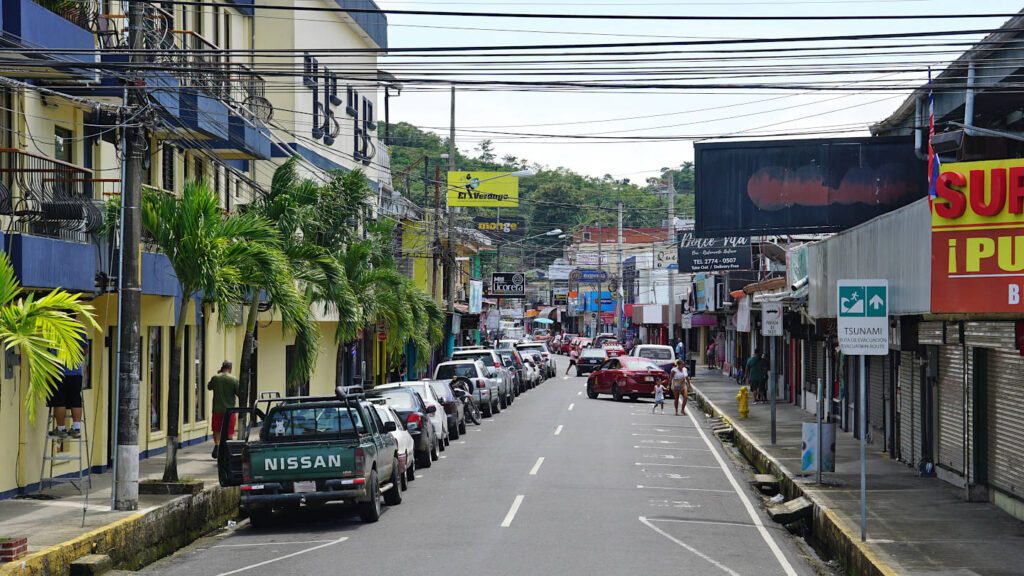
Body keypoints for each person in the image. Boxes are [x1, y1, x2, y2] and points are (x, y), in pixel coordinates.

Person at [48, 336, 89, 439]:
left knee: (59, 400)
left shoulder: (56, 330)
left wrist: (49, 374)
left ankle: (61, 429)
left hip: (59, 371)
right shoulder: (80, 330)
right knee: (75, 398)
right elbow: (84, 350)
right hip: (76, 371)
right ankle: (76, 428)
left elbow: (53, 355)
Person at [208, 361, 240, 459]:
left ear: (222, 368)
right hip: (230, 411)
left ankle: (217, 446)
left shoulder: (215, 378)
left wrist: (218, 375)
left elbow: (209, 387)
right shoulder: (233, 380)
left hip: (217, 410)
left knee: (216, 430)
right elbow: (239, 393)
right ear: (230, 369)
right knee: (229, 432)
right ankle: (229, 451)